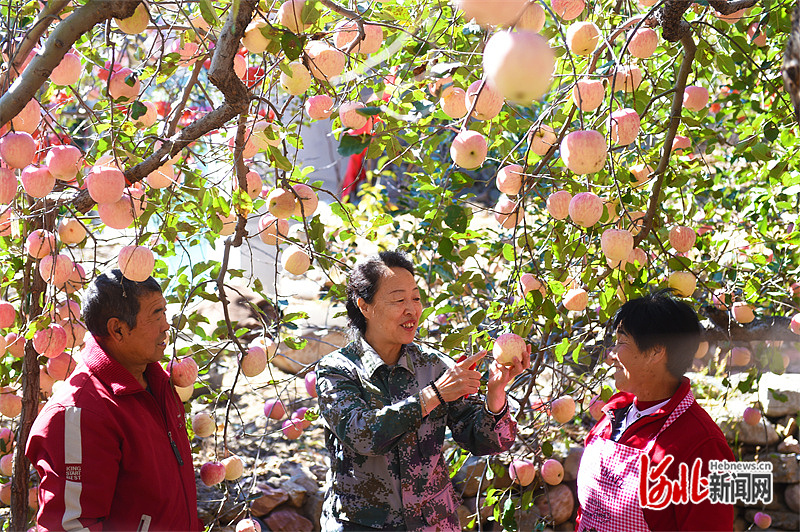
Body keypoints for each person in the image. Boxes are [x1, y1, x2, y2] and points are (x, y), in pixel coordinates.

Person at [315, 250, 530, 531]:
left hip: (433, 523)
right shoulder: (337, 370)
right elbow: (365, 436)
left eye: (415, 298)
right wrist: (434, 394)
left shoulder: (433, 365)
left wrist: (496, 394)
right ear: (365, 307)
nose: (412, 309)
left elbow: (487, 442)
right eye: (398, 300)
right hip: (362, 525)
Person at [26, 269, 201, 531]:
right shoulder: (78, 413)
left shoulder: (157, 382)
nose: (167, 325)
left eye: (165, 312)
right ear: (117, 329)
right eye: (156, 315)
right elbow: (72, 526)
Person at [576, 290, 735, 532]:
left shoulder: (704, 446)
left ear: (655, 352)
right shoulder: (610, 418)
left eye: (621, 342)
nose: (611, 355)